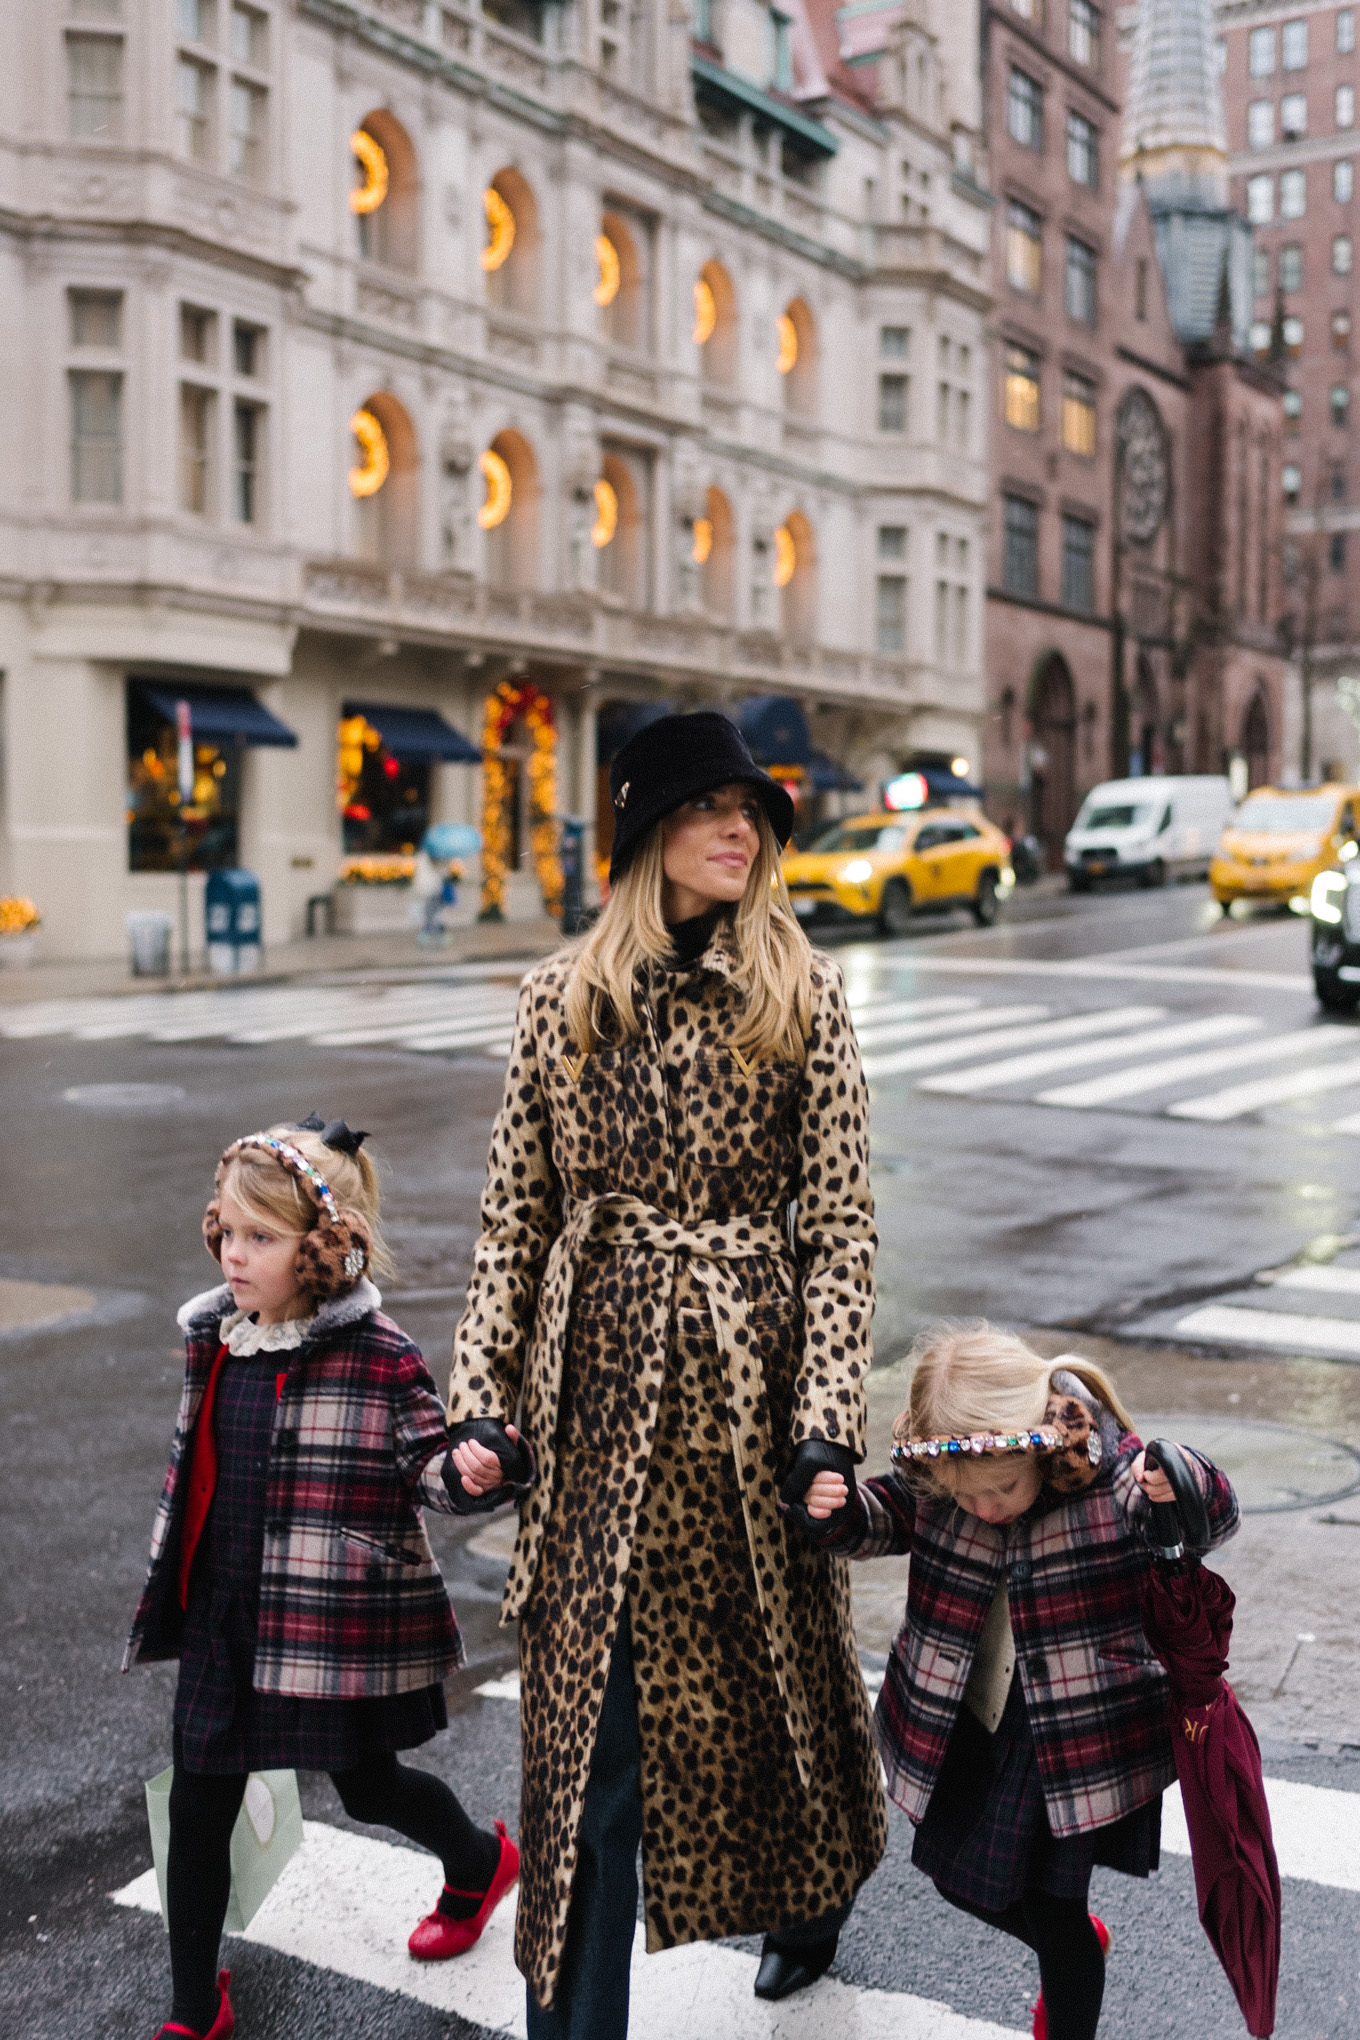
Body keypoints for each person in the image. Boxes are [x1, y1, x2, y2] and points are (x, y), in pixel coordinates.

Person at [445, 710, 888, 2038]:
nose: (741, 829)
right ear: (650, 835)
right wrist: (486, 1401)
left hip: (752, 1407)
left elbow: (844, 1227)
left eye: (753, 812)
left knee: (777, 1689)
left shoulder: (802, 999)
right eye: (711, 809)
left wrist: (823, 1426)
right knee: (596, 1756)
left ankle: (808, 1904)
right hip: (597, 1419)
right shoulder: (558, 1003)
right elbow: (515, 1220)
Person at [124, 1117, 518, 2040]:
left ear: (323, 1250)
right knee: (199, 1797)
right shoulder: (221, 1337)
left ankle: (477, 1861)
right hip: (225, 1611)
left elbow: (427, 1464)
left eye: (260, 1238)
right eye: (225, 1231)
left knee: (370, 1788)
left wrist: (471, 1469)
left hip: (322, 1617)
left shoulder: (375, 1355)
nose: (233, 1254)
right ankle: (193, 2009)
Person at [790, 1320, 1240, 2040]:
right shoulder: (947, 1480)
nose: (986, 1507)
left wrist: (1185, 1484)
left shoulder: (1111, 1479)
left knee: (1055, 1910)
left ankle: (1068, 2000)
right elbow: (888, 1513)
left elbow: (1213, 1519)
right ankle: (1075, 1943)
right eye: (968, 1497)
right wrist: (838, 1511)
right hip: (972, 1717)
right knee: (947, 1872)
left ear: (1039, 1442)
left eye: (1001, 1488)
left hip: (1068, 1734)